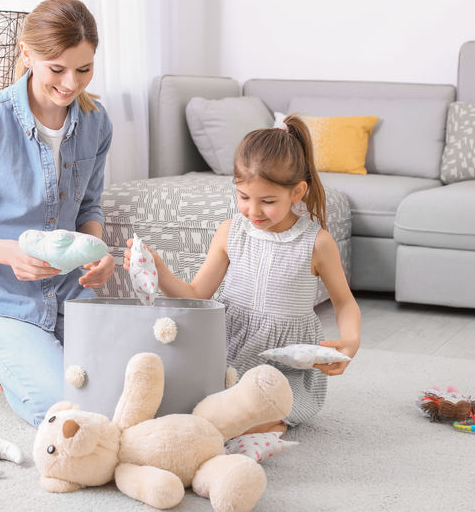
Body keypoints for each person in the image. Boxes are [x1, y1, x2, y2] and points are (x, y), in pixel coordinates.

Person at [0, 0, 114, 427]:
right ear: (27, 54)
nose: (71, 83)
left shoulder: (96, 122)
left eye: (84, 69)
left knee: (131, 388)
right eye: (58, 69)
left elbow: (88, 207)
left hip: (67, 293)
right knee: (68, 413)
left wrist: (97, 253)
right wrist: (12, 254)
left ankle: (5, 357)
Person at [124, 114, 360, 433]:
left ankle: (257, 427)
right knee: (178, 398)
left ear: (297, 192)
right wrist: (160, 271)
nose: (253, 210)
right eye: (244, 197)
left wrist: (350, 340)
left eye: (268, 201)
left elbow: (344, 303)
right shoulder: (230, 232)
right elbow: (196, 295)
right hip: (227, 351)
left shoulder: (316, 243)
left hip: (282, 367)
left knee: (242, 417)